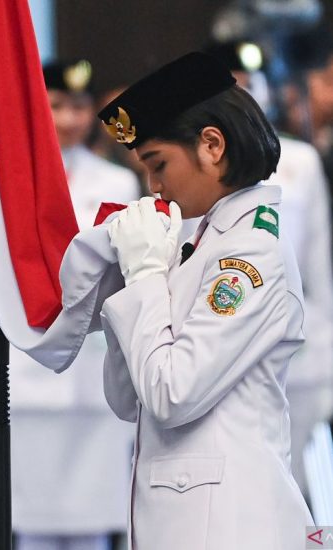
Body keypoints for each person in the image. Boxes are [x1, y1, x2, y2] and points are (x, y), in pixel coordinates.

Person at [97, 52, 312, 549]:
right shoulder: (201, 242)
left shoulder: (250, 252)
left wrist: (147, 276)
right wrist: (131, 283)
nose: (153, 186)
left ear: (211, 145)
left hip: (230, 524)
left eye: (159, 164)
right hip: (191, 520)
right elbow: (129, 398)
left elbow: (173, 394)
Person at [0, 59, 137, 550]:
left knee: (94, 528)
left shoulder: (119, 183)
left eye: (80, 106)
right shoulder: (5, 181)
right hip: (28, 372)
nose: (68, 118)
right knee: (31, 527)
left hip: (96, 375)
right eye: (57, 105)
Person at [205, 39, 333, 499]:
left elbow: (320, 274)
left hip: (297, 359)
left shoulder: (300, 162)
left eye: (255, 83)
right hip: (222, 357)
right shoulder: (201, 168)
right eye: (236, 84)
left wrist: (327, 364)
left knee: (304, 496)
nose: (249, 92)